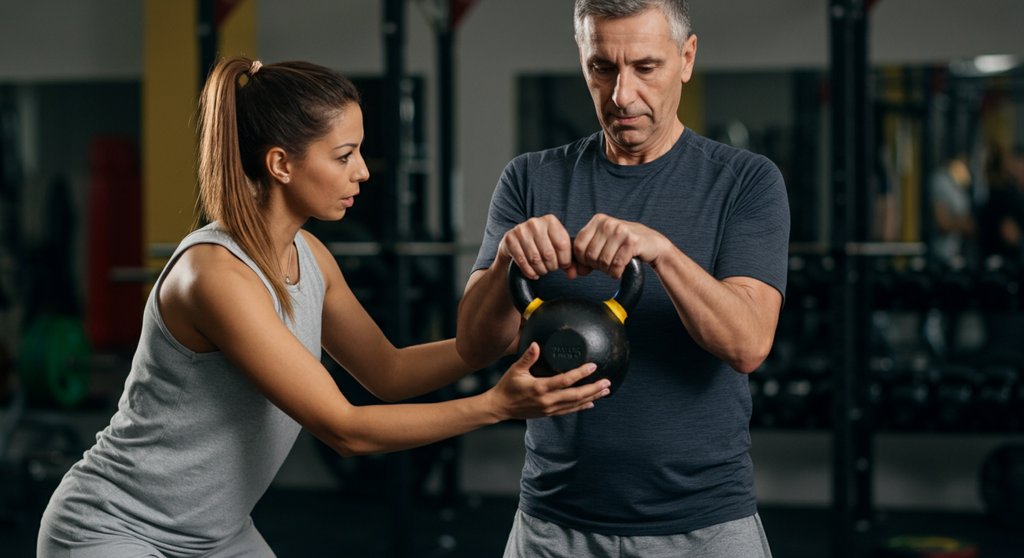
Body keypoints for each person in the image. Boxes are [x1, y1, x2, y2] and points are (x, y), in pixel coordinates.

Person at [36, 57, 611, 558]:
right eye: (344, 155)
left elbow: (387, 372)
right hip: (113, 527)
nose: (362, 170)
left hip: (215, 535)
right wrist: (495, 406)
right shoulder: (215, 277)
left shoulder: (308, 254)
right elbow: (347, 429)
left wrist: (507, 339)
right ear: (282, 164)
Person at [456, 1, 788, 556]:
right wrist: (507, 263)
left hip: (704, 527)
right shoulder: (530, 179)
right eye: (601, 68)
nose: (620, 95)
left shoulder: (745, 181)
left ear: (687, 58)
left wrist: (663, 253)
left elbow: (748, 344)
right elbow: (474, 345)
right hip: (553, 525)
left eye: (646, 67)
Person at [928, 154, 975, 268]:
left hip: (960, 253)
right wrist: (963, 224)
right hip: (941, 255)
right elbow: (943, 222)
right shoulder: (940, 180)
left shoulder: (961, 178)